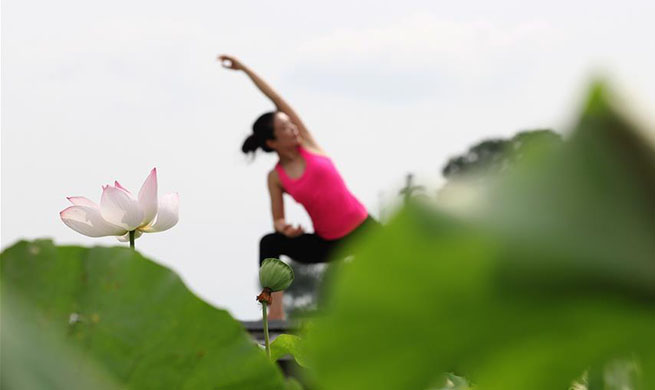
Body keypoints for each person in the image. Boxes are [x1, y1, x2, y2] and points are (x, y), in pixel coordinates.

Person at [218, 55, 378, 319]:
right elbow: (278, 221)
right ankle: (274, 312)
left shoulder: (308, 145)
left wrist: (244, 69)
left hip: (363, 230)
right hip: (326, 243)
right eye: (284, 127)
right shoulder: (276, 177)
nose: (292, 128)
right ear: (272, 142)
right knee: (269, 243)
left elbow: (277, 99)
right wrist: (286, 229)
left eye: (291, 124)